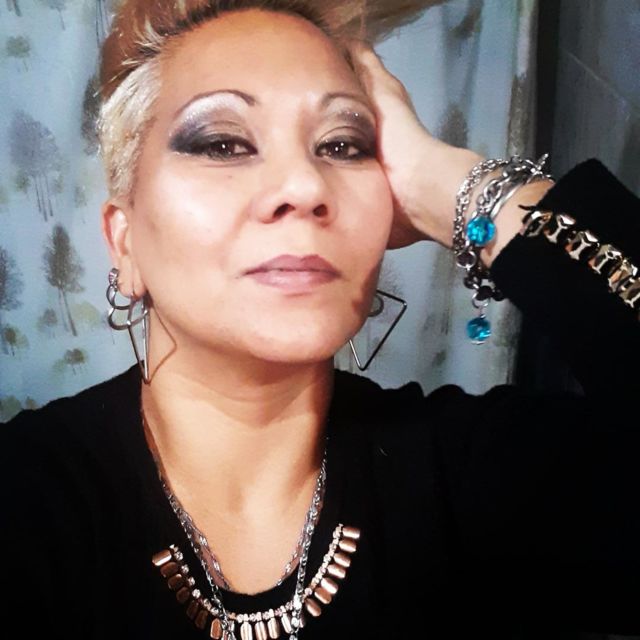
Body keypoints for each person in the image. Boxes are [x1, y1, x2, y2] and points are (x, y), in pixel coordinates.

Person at [2, 1, 639, 639]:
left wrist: (456, 189)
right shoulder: (30, 495)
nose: (306, 186)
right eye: (223, 143)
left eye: (342, 145)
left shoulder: (468, 475)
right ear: (125, 241)